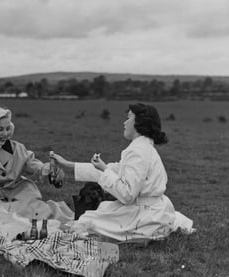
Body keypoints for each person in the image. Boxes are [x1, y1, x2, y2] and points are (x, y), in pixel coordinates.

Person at [50, 103, 192, 243]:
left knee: (87, 222)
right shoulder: (143, 147)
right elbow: (115, 170)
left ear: (138, 123)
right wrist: (68, 164)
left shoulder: (138, 152)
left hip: (145, 214)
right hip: (152, 209)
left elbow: (128, 194)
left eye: (129, 118)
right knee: (96, 214)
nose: (124, 123)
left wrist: (105, 169)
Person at [0, 106, 73, 222]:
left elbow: (36, 167)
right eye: (0, 129)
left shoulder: (17, 148)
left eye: (7, 128)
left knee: (42, 214)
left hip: (21, 196)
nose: (5, 134)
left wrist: (50, 169)